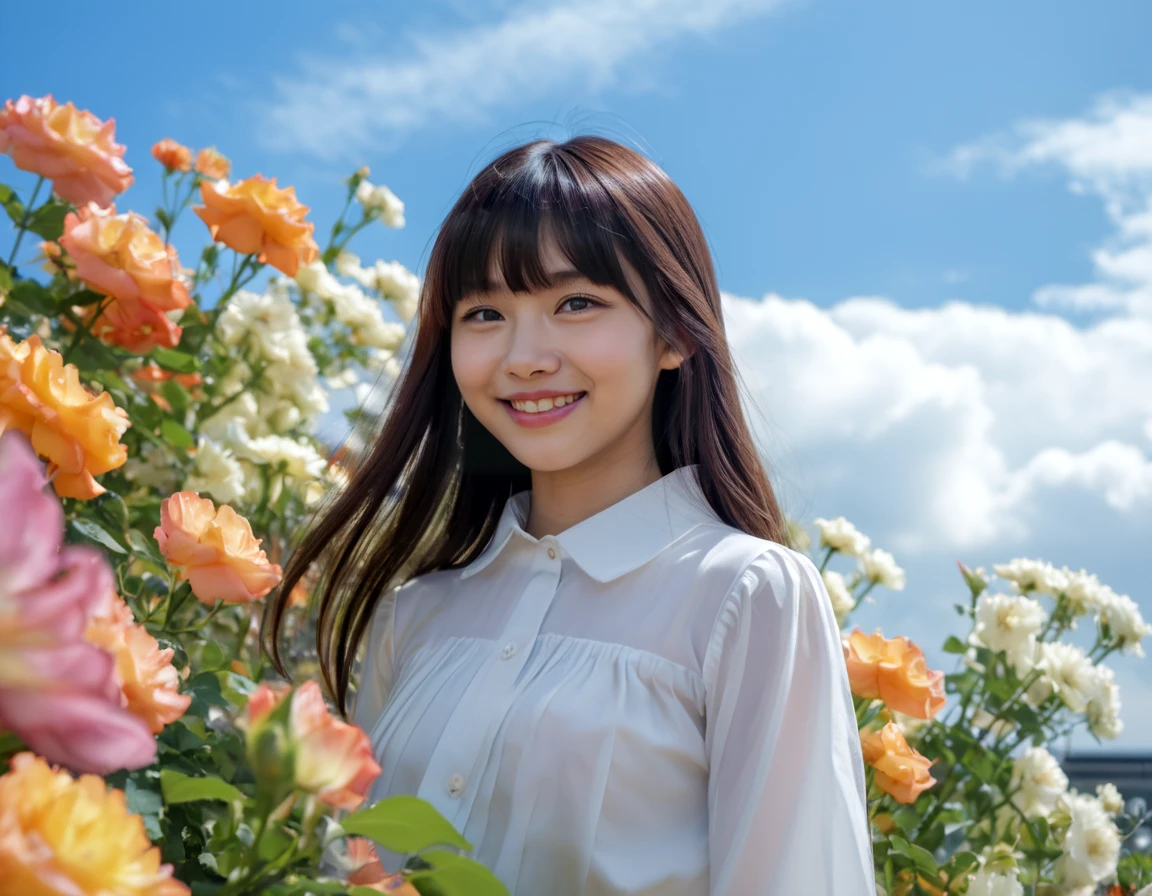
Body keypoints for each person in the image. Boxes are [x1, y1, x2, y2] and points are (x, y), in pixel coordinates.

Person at [263, 135, 875, 895]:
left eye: (576, 303)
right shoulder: (417, 614)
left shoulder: (746, 595)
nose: (524, 356)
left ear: (677, 332)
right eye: (484, 312)